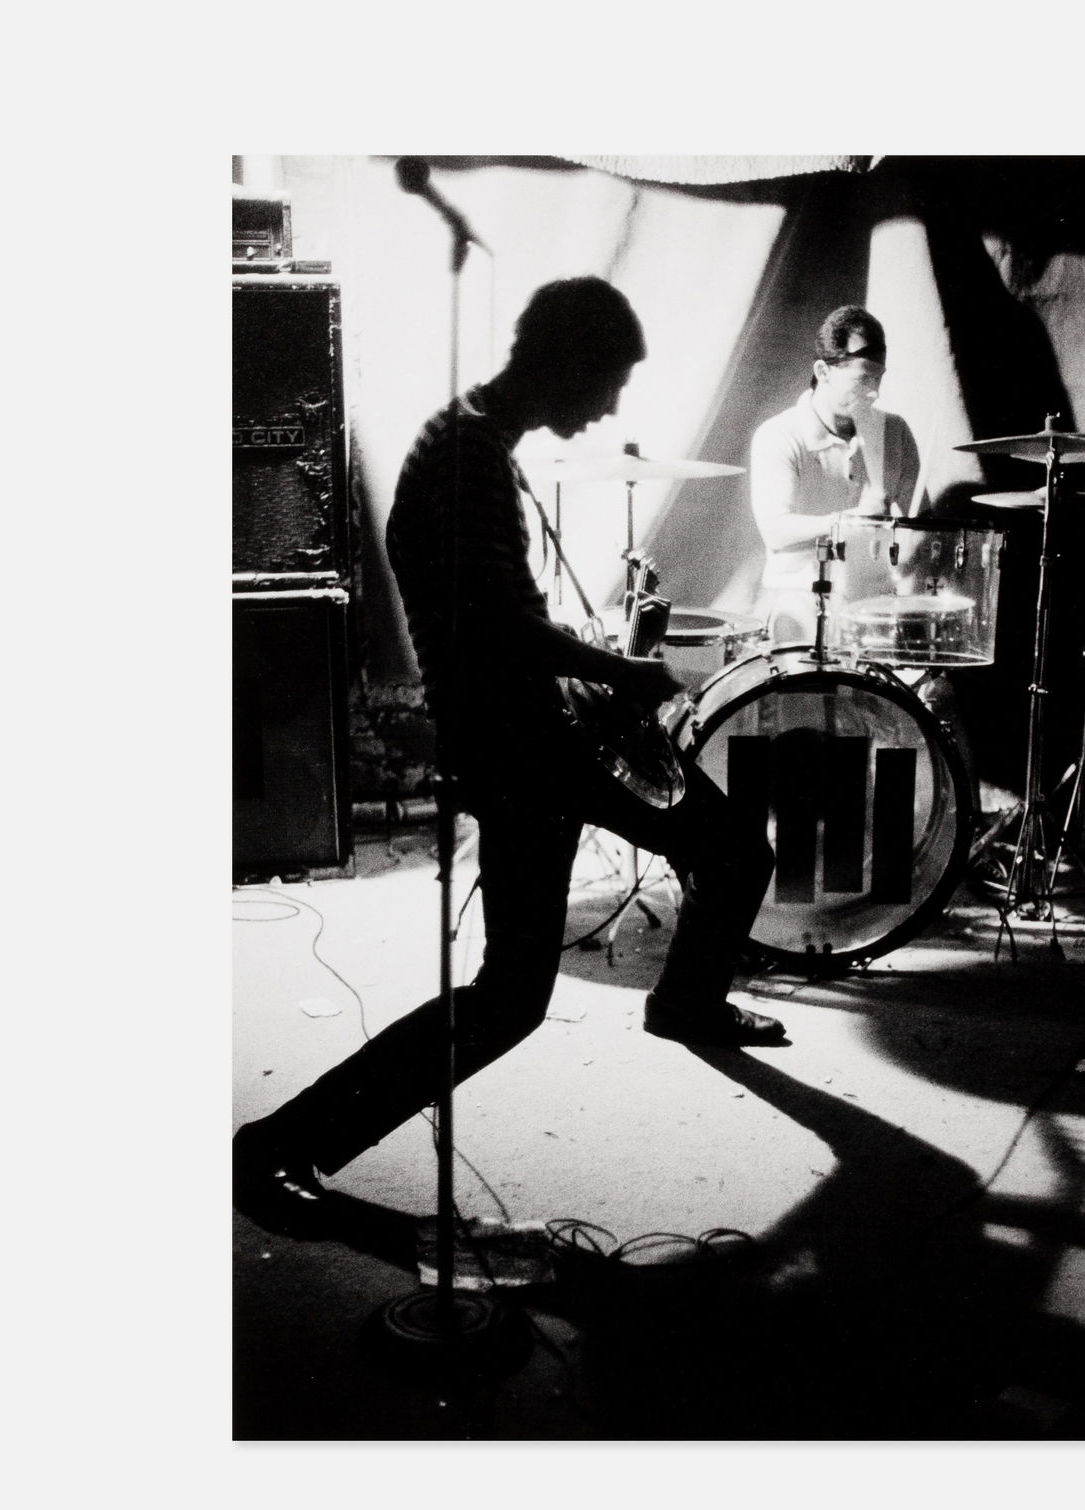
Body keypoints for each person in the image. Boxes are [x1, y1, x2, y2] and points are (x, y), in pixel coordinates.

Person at [235, 277, 784, 1237]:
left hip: (531, 738)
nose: (609, 406)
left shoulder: (476, 445)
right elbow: (494, 628)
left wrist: (583, 667)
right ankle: (277, 1147)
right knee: (512, 997)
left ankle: (688, 1003)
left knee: (725, 855)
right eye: (608, 380)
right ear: (563, 361)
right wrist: (619, 670)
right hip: (522, 750)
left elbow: (495, 608)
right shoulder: (466, 460)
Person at [748, 306, 923, 644]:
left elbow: (922, 523)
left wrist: (914, 557)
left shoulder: (894, 432)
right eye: (862, 379)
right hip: (799, 604)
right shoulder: (778, 435)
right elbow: (776, 531)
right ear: (823, 371)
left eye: (878, 378)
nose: (874, 392)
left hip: (874, 611)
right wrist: (851, 520)